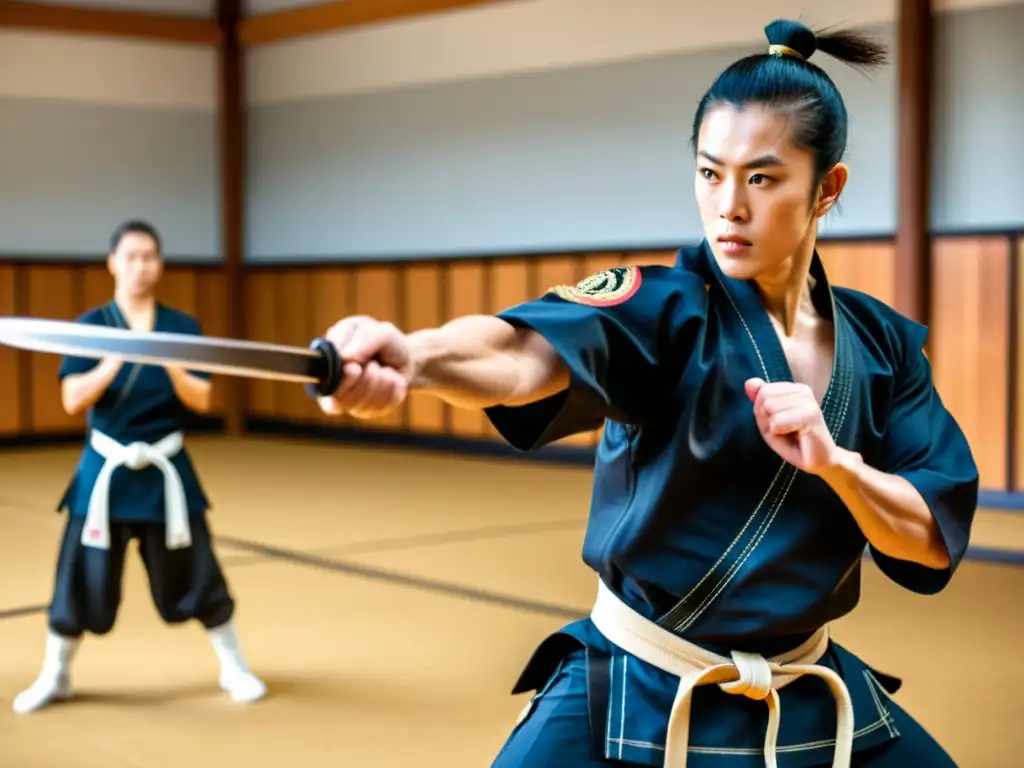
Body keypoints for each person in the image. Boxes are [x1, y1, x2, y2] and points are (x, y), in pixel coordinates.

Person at [314, 19, 977, 768]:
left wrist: (837, 466)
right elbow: (523, 352)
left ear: (828, 187)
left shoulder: (883, 345)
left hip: (806, 684)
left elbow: (926, 536)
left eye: (761, 178)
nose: (728, 205)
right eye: (708, 172)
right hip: (639, 679)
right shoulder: (662, 309)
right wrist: (416, 355)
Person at [12, 220, 266, 714]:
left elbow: (202, 396)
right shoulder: (90, 326)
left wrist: (166, 357)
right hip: (104, 472)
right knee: (79, 576)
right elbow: (71, 399)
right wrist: (115, 357)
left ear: (161, 264)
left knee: (198, 571)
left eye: (149, 256)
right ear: (112, 263)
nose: (140, 266)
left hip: (166, 469)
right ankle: (56, 673)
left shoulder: (182, 326)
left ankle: (233, 665)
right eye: (130, 256)